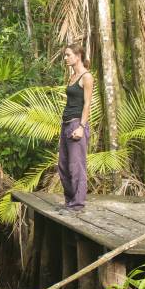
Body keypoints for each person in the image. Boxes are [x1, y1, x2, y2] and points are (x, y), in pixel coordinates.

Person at [58, 43, 93, 213]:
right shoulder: (72, 77)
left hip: (76, 124)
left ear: (78, 56)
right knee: (63, 165)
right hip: (65, 124)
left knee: (76, 166)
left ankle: (78, 205)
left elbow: (87, 104)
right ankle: (70, 201)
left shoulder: (86, 77)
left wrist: (81, 127)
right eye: (65, 55)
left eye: (68, 55)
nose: (65, 58)